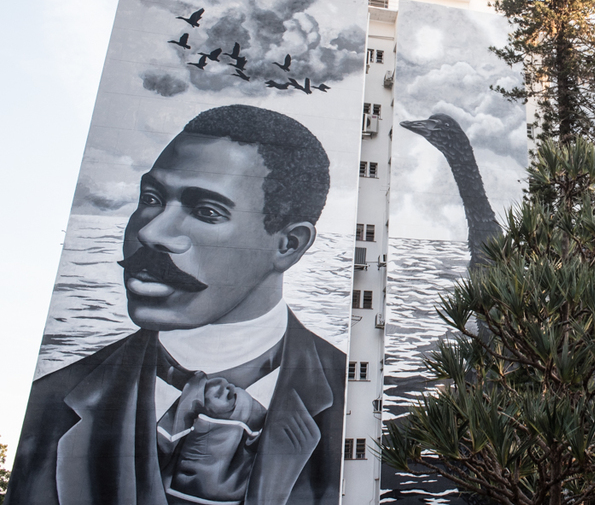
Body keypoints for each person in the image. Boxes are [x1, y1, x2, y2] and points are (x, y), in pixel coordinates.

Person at [7, 104, 346, 505]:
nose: (150, 232)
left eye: (205, 211)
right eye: (151, 198)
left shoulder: (355, 406)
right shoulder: (51, 403)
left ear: (288, 245)